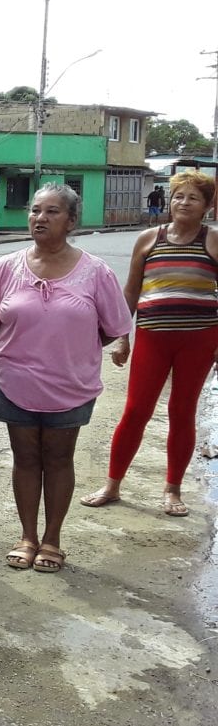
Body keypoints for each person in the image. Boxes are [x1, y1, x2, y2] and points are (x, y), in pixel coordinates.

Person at [0, 185, 129, 572]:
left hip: (70, 386)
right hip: (15, 382)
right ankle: (27, 536)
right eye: (35, 210)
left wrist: (69, 349)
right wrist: (25, 345)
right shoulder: (6, 267)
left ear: (72, 221)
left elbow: (111, 328)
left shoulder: (96, 272)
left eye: (52, 211)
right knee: (25, 458)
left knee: (59, 459)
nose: (40, 218)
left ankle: (52, 540)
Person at [81, 170, 218, 519]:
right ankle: (112, 485)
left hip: (199, 340)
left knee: (182, 411)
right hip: (153, 338)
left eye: (193, 198)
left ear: (206, 206)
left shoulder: (212, 241)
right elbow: (130, 292)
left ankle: (172, 489)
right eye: (178, 196)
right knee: (136, 410)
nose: (183, 203)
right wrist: (121, 338)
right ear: (168, 201)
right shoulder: (148, 239)